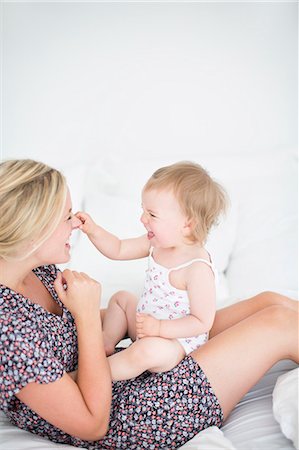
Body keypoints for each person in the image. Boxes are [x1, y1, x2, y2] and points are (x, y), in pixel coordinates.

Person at [0, 159, 298, 450]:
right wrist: (88, 315)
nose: (74, 224)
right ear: (31, 233)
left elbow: (63, 330)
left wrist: (120, 317)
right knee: (280, 324)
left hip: (125, 372)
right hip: (135, 414)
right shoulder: (8, 330)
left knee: (269, 302)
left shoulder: (34, 270)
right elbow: (92, 424)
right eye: (66, 217)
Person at [76, 161, 227, 381]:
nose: (143, 219)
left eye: (152, 215)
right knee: (121, 299)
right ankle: (106, 342)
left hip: (174, 345)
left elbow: (202, 322)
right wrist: (93, 230)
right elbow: (118, 248)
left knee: (145, 351)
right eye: (143, 210)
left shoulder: (196, 269)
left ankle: (85, 378)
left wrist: (160, 328)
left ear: (187, 224)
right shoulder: (156, 244)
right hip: (146, 325)